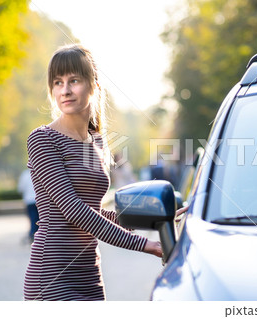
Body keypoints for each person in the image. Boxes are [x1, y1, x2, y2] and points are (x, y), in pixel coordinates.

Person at [23, 44, 163, 301]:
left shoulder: (96, 141)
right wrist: (145, 244)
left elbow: (94, 211)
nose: (65, 90)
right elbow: (74, 210)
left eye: (73, 80)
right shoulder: (43, 139)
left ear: (94, 84)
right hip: (52, 277)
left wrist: (156, 217)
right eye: (57, 82)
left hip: (89, 275)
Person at [18, 169, 39, 243]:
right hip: (38, 200)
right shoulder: (39, 172)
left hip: (29, 200)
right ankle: (36, 235)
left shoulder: (25, 174)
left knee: (32, 219)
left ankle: (33, 235)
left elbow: (20, 188)